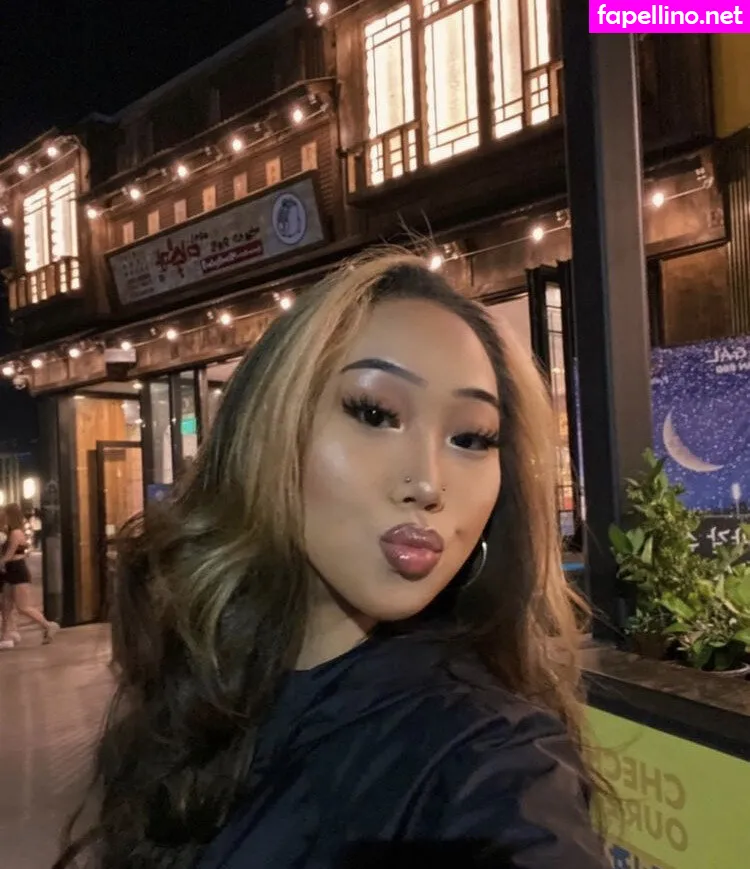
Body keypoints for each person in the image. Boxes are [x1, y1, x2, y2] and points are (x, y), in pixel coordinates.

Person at [56, 252, 609, 868]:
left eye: (471, 438)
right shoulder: (197, 681)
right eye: (375, 414)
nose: (428, 483)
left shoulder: (491, 758)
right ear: (269, 432)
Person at [0, 503, 59, 649]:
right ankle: (6, 635)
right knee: (6, 605)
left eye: (5, 514)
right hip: (9, 571)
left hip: (17, 571)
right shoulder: (9, 532)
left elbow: (10, 554)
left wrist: (1, 561)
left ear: (11, 515)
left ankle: (48, 625)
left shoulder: (16, 533)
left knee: (23, 606)